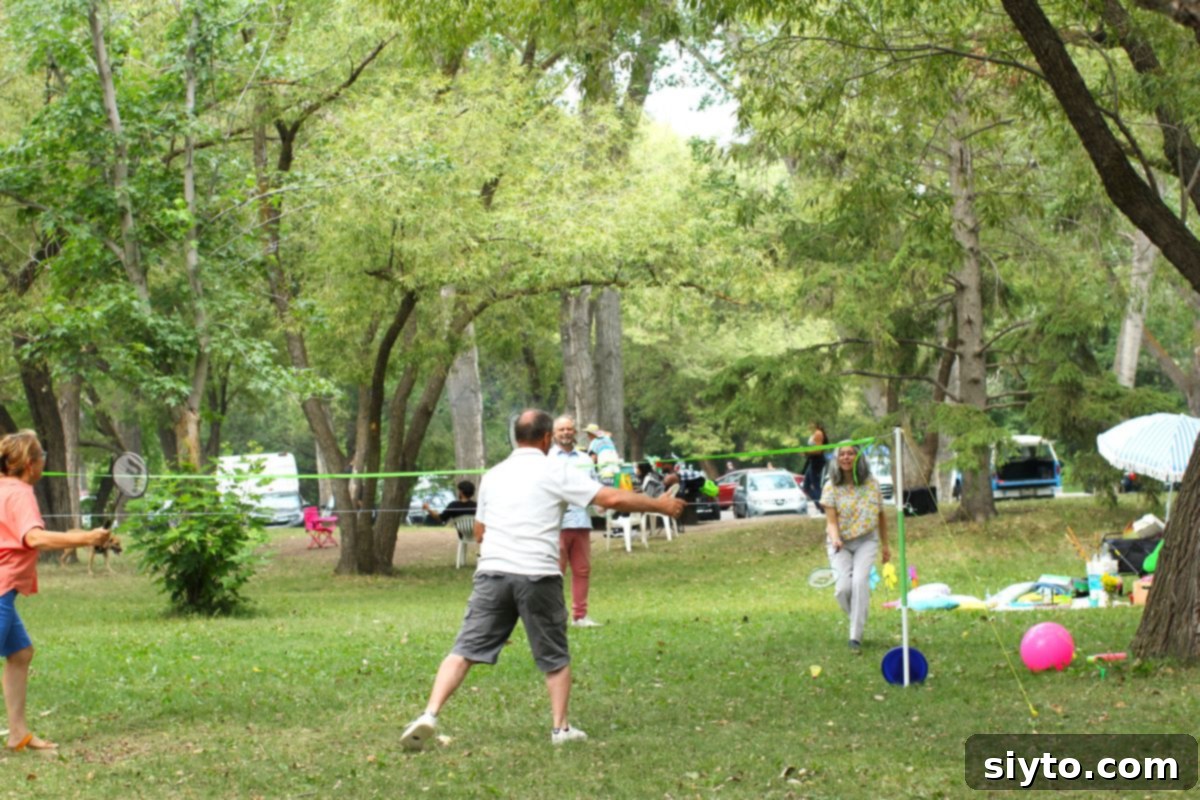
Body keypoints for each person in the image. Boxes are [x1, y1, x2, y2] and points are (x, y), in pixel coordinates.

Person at [400, 410, 685, 751]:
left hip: (492, 573)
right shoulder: (556, 469)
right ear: (547, 438)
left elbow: (479, 532)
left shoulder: (492, 475)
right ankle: (560, 729)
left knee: (463, 650)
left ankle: (429, 715)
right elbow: (611, 498)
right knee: (555, 656)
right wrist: (661, 506)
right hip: (537, 574)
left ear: (515, 437)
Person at [0, 430, 111, 751]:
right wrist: (86, 538)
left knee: (20, 653)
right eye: (41, 457)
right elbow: (34, 538)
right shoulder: (19, 492)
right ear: (29, 463)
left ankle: (18, 733)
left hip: (6, 590)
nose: (44, 462)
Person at [822, 443, 890, 654]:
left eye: (850, 453)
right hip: (840, 542)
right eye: (841, 454)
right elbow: (831, 522)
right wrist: (835, 539)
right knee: (843, 589)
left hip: (866, 540)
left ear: (858, 456)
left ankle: (855, 637)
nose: (846, 457)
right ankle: (857, 617)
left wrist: (886, 546)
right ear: (836, 458)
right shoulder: (830, 486)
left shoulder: (872, 484)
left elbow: (881, 516)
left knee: (860, 582)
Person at [550, 416, 601, 628]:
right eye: (561, 429)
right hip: (555, 525)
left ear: (575, 433)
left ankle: (580, 616)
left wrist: (601, 505)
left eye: (569, 429)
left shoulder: (585, 460)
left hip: (581, 522)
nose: (566, 433)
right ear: (553, 434)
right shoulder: (547, 459)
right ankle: (554, 617)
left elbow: (595, 488)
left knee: (582, 570)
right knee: (554, 574)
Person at [804, 422, 829, 513]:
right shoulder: (814, 433)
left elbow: (818, 450)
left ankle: (823, 508)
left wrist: (806, 452)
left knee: (816, 485)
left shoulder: (818, 433)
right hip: (812, 461)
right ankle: (820, 506)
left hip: (817, 461)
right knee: (806, 486)